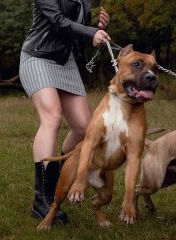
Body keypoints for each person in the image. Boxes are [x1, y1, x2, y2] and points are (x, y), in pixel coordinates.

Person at [19, 0, 110, 223]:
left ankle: (58, 176)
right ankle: (42, 200)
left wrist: (99, 30)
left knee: (84, 128)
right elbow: (59, 23)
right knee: (51, 117)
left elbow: (77, 36)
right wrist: (91, 32)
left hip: (65, 63)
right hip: (37, 57)